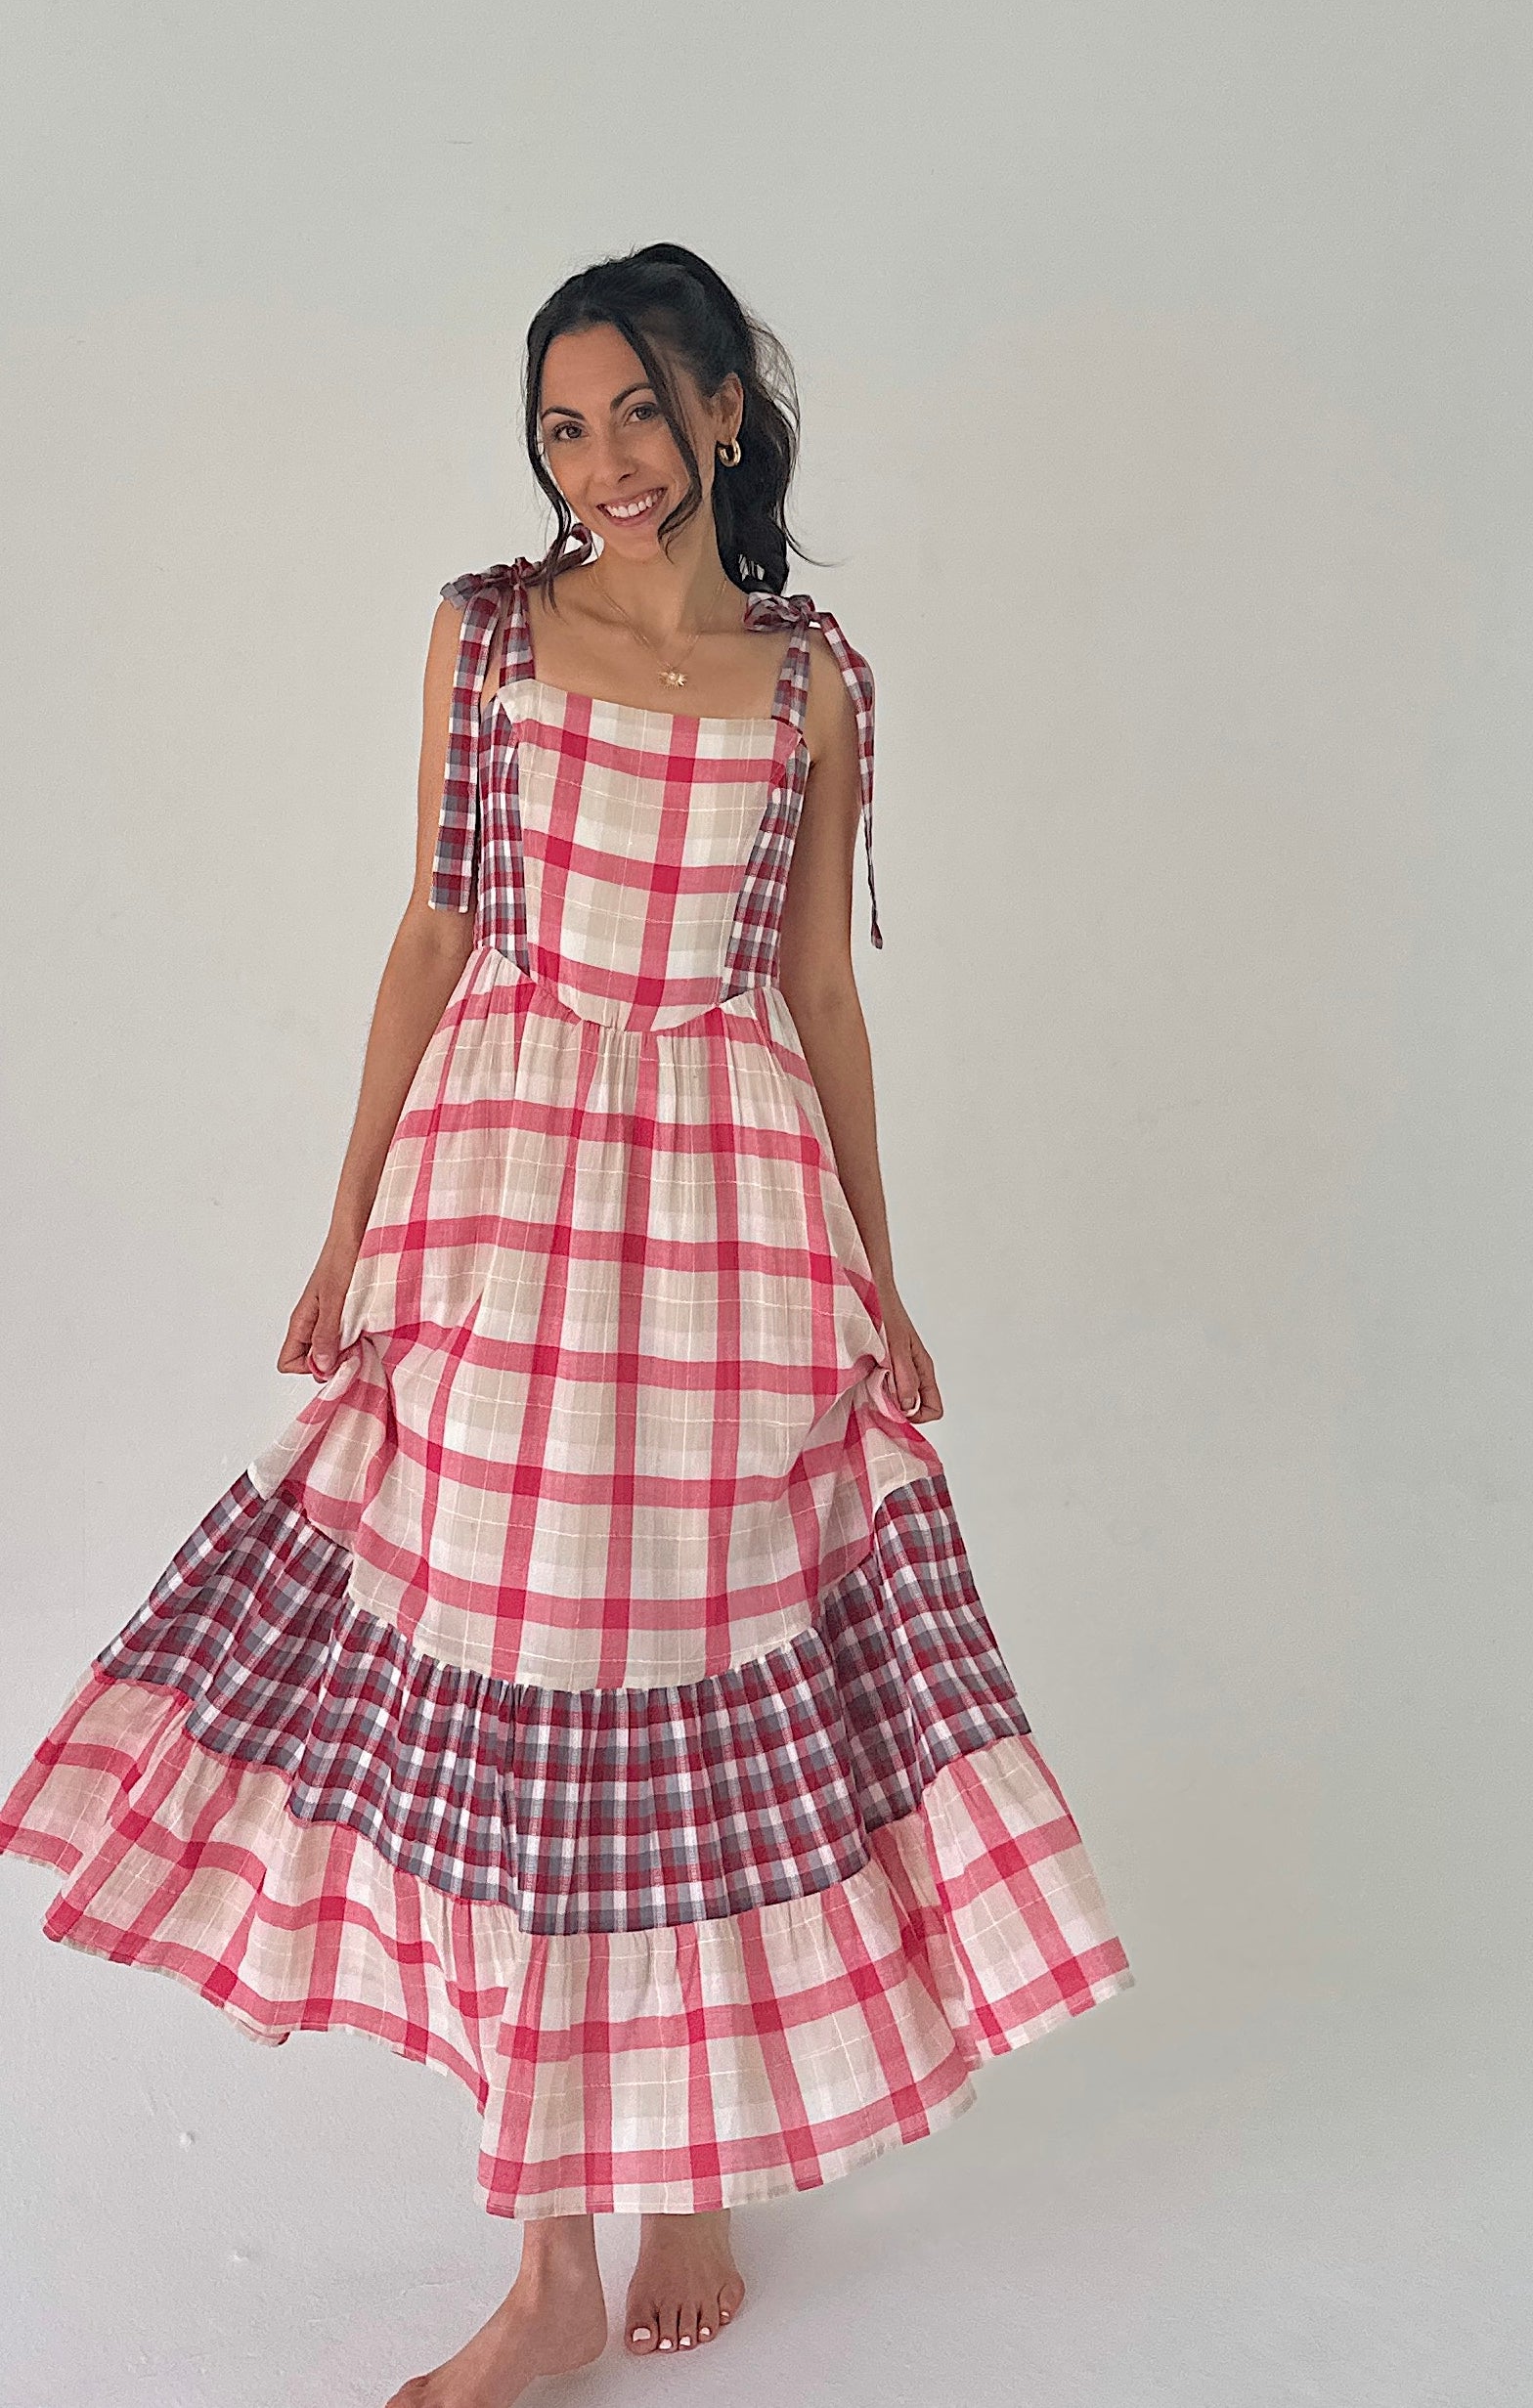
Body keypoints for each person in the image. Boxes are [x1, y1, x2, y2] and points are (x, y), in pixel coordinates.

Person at [0, 243, 1134, 2404]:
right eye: (558, 423)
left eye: (633, 412)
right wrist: (347, 1223)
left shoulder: (815, 683)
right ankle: (550, 2268)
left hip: (725, 1211)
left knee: (702, 1683)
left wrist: (882, 1276)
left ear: (723, 411)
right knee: (535, 1689)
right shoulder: (490, 637)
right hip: (509, 1188)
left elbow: (816, 995)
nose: (597, 463)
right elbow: (432, 929)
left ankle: (685, 2163)